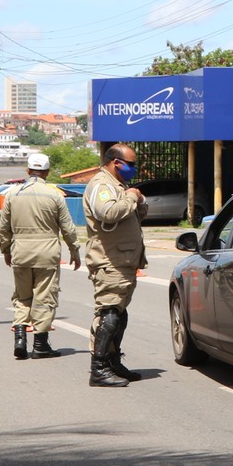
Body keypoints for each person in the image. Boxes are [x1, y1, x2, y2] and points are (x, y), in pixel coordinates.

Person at [0, 153, 81, 360]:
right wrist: (74, 250)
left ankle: (20, 339)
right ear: (47, 172)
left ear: (28, 171)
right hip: (47, 254)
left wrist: (6, 250)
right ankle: (40, 345)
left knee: (22, 296)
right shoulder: (54, 195)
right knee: (44, 298)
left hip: (21, 252)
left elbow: (4, 227)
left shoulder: (13, 194)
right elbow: (68, 227)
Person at [82, 143, 148, 387]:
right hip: (109, 261)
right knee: (108, 314)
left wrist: (138, 200)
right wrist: (131, 196)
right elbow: (107, 213)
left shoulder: (118, 186)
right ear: (115, 162)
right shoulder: (102, 185)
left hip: (123, 261)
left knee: (119, 314)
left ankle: (112, 362)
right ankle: (98, 369)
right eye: (130, 164)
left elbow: (135, 214)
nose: (134, 168)